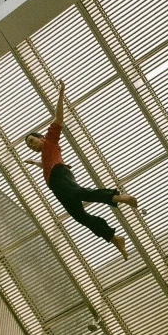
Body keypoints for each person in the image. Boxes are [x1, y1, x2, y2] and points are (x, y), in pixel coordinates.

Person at [24, 80, 137, 259]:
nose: (31, 145)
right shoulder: (47, 153)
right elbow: (48, 164)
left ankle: (118, 197)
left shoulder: (50, 141)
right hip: (57, 184)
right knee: (80, 216)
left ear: (41, 137)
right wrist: (36, 163)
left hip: (60, 177)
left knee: (81, 193)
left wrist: (61, 94)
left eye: (32, 141)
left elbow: (58, 119)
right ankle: (114, 238)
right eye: (29, 145)